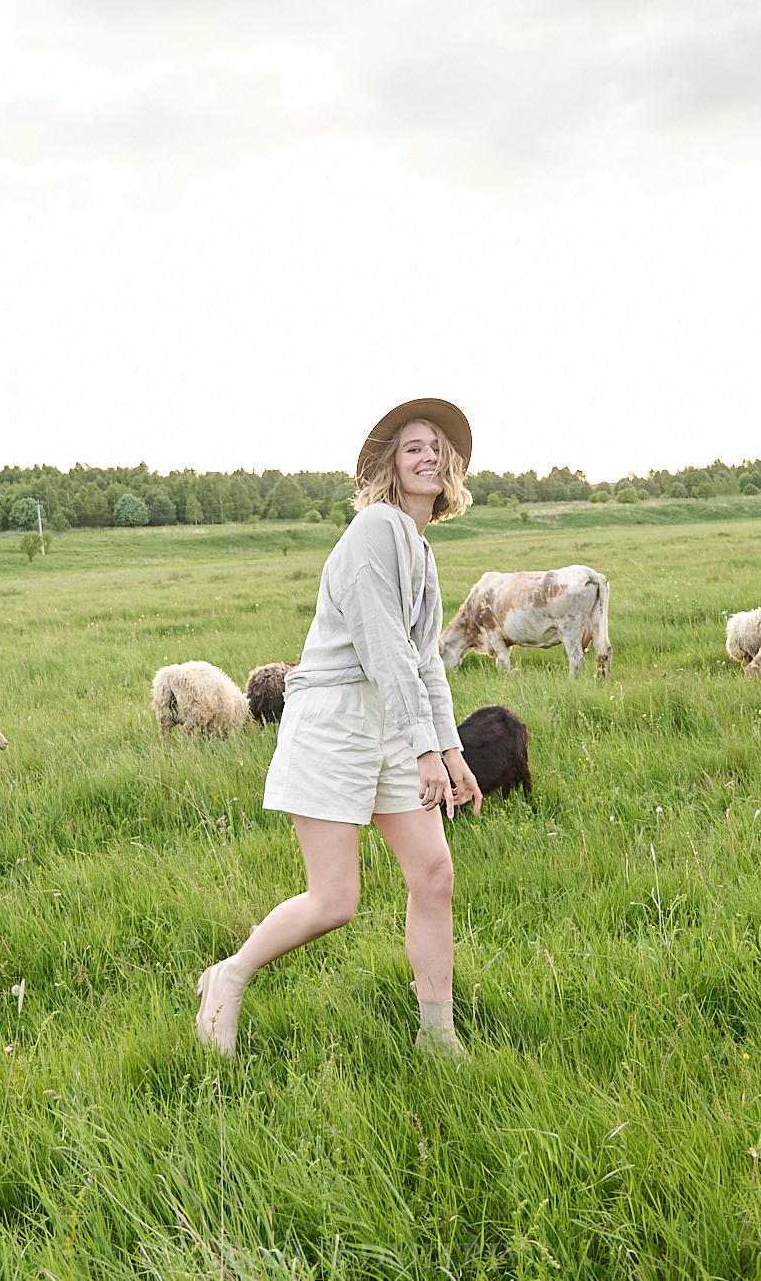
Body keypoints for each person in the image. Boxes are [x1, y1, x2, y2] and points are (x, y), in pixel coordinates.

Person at [196, 398, 483, 1058]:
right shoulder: (375, 530)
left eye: (437, 447)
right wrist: (423, 746)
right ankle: (228, 976)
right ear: (390, 465)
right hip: (334, 722)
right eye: (413, 447)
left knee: (433, 873)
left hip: (391, 721)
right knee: (334, 901)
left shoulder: (422, 548)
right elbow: (383, 648)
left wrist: (449, 747)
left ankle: (437, 1033)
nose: (428, 456)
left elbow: (424, 660)